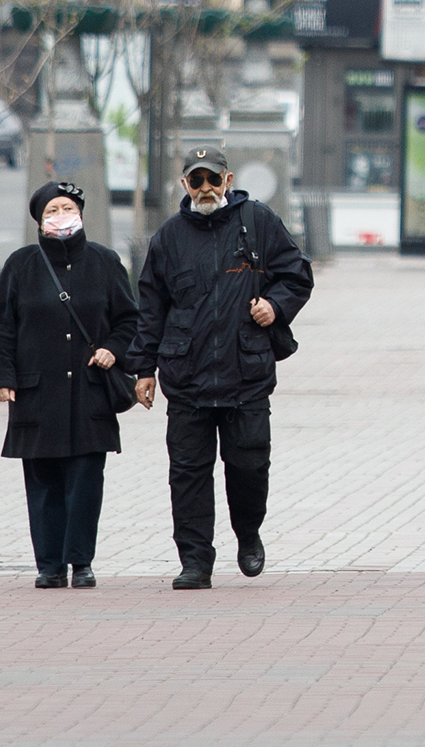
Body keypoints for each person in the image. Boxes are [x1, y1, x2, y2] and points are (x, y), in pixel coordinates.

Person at [128, 146, 314, 590]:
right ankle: (195, 561)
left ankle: (248, 535)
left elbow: (297, 275)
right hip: (186, 376)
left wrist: (275, 305)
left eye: (214, 179)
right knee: (187, 474)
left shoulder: (259, 221)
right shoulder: (169, 238)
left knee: (249, 468)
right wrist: (144, 368)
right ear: (184, 186)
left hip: (246, 373)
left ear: (228, 181)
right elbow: (151, 307)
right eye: (197, 181)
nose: (206, 188)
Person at [0, 181, 140, 589]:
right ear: (39, 220)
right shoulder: (21, 265)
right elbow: (0, 327)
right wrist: (1, 378)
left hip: (90, 390)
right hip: (36, 393)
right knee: (44, 484)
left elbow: (129, 319)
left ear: (82, 214)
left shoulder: (106, 262)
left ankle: (81, 561)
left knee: (86, 481)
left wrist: (112, 349)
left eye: (67, 207)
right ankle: (49, 564)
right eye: (51, 210)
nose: (60, 216)